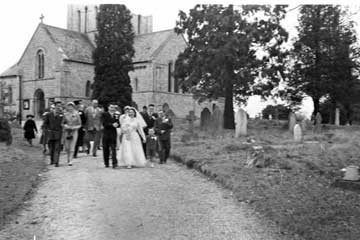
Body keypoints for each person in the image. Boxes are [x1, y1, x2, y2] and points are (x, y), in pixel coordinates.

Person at [43, 101, 63, 167]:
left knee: (57, 148)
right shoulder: (49, 114)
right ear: (55, 106)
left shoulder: (61, 115)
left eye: (60, 106)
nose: (59, 107)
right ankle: (52, 160)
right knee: (51, 148)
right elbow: (45, 123)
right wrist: (47, 130)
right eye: (58, 106)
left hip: (58, 133)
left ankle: (56, 162)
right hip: (50, 133)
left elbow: (63, 123)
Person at [101, 103, 120, 168]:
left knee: (113, 148)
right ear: (108, 107)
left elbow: (118, 122)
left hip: (113, 133)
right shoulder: (104, 114)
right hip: (106, 133)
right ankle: (106, 163)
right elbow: (104, 123)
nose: (112, 109)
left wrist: (117, 124)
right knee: (106, 149)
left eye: (113, 107)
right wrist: (112, 125)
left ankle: (115, 163)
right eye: (111, 107)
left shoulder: (116, 115)